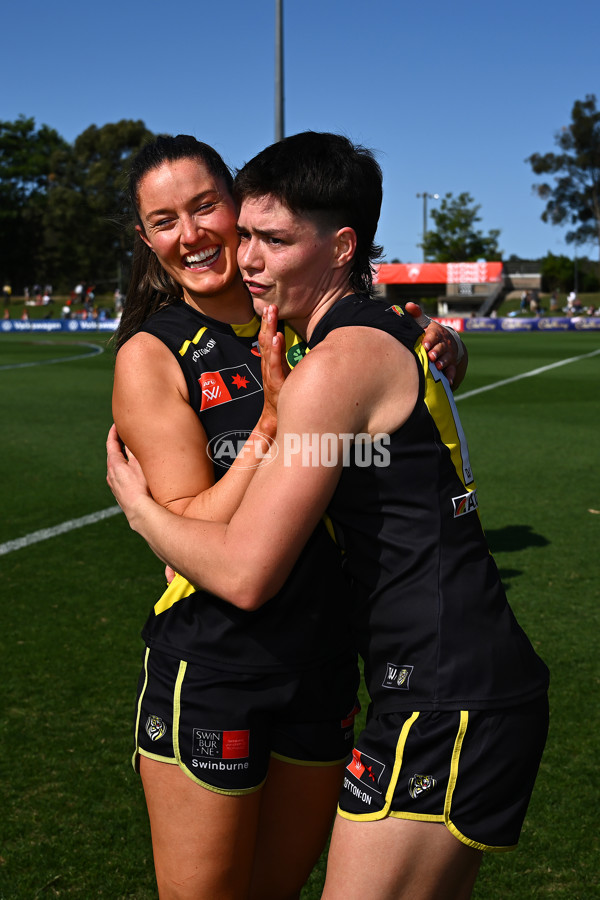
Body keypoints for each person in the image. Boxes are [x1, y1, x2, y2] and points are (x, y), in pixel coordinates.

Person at [107, 131, 549, 900]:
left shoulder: (329, 341)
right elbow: (219, 538)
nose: (223, 245)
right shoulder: (177, 350)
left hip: (371, 671)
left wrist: (140, 511)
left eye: (219, 211)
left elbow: (258, 546)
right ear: (144, 239)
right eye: (164, 220)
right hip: (234, 663)